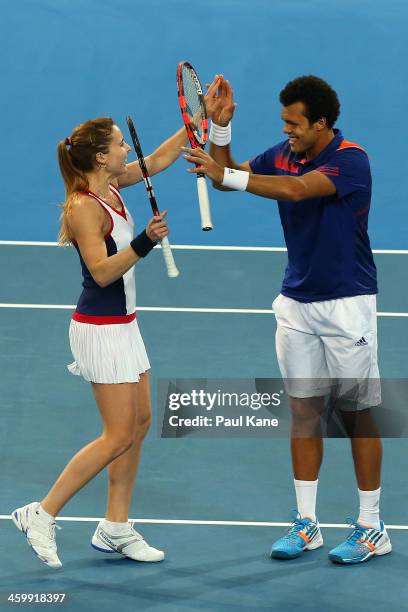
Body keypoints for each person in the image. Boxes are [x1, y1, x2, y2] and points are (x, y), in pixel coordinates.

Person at [183, 75, 392, 564]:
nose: (287, 131)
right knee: (303, 410)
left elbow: (296, 190)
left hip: (347, 305)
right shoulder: (284, 151)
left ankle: (371, 526)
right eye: (284, 124)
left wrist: (224, 174)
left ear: (321, 123)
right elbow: (231, 173)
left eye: (294, 124)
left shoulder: (351, 160)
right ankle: (307, 523)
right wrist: (220, 131)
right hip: (295, 303)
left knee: (358, 416)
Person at [12, 117, 188, 568]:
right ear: (100, 157)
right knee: (116, 436)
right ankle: (41, 513)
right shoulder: (83, 207)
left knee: (141, 422)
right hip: (100, 330)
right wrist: (146, 242)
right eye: (119, 144)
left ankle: (115, 527)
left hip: (125, 324)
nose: (128, 148)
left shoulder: (114, 184)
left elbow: (160, 159)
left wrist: (199, 118)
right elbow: (103, 272)